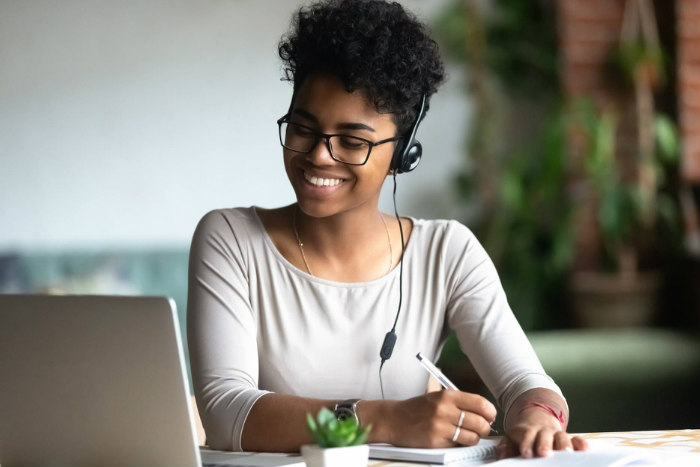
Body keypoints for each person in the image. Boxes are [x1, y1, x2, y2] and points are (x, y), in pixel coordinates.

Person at [187, 0, 588, 459]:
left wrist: (537, 415)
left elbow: (527, 385)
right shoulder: (231, 239)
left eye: (352, 141)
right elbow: (224, 413)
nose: (320, 155)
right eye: (303, 129)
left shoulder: (447, 252)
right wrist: (386, 420)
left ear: (402, 155)